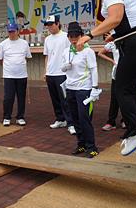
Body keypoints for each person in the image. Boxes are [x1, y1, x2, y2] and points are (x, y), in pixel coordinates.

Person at [76, 0, 136, 156]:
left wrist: (88, 35)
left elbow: (115, 18)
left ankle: (135, 132)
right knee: (128, 86)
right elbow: (127, 21)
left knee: (121, 88)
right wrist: (114, 36)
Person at [62, 22, 99, 158]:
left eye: (76, 35)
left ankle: (92, 146)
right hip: (70, 88)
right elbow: (63, 68)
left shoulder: (87, 51)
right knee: (75, 118)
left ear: (82, 36)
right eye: (71, 35)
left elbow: (93, 69)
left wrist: (94, 87)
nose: (73, 38)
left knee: (85, 119)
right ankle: (81, 144)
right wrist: (65, 67)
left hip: (84, 89)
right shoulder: (67, 51)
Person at [43, 15, 75, 135]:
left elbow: (72, 52)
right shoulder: (47, 39)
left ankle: (71, 123)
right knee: (55, 98)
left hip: (62, 73)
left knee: (65, 99)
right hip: (50, 73)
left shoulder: (66, 37)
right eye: (48, 25)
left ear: (58, 23)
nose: (49, 27)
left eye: (51, 24)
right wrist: (45, 71)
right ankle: (60, 119)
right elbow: (47, 56)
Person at [0, 23, 32, 126]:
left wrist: (19, 64)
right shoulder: (3, 44)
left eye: (13, 31)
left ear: (17, 31)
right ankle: (7, 117)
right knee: (8, 97)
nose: (11, 33)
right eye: (9, 31)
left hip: (22, 75)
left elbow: (27, 57)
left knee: (21, 96)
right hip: (8, 75)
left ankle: (20, 117)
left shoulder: (24, 43)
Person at [98, 35, 124, 131]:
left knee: (126, 97)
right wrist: (112, 61)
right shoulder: (112, 44)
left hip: (128, 73)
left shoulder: (127, 41)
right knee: (114, 98)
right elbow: (100, 53)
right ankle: (111, 122)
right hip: (116, 74)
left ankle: (125, 120)